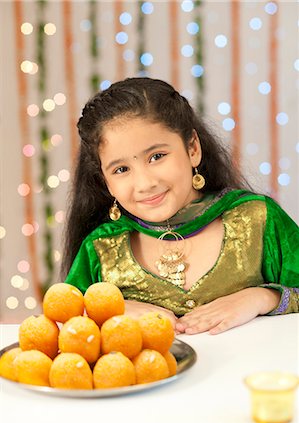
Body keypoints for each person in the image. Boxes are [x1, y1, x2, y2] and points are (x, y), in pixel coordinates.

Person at [61, 77, 299, 335]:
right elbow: (66, 322)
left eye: (157, 156)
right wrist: (109, 310)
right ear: (105, 181)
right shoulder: (101, 249)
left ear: (192, 148)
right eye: (121, 169)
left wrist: (263, 298)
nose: (145, 183)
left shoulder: (258, 219)